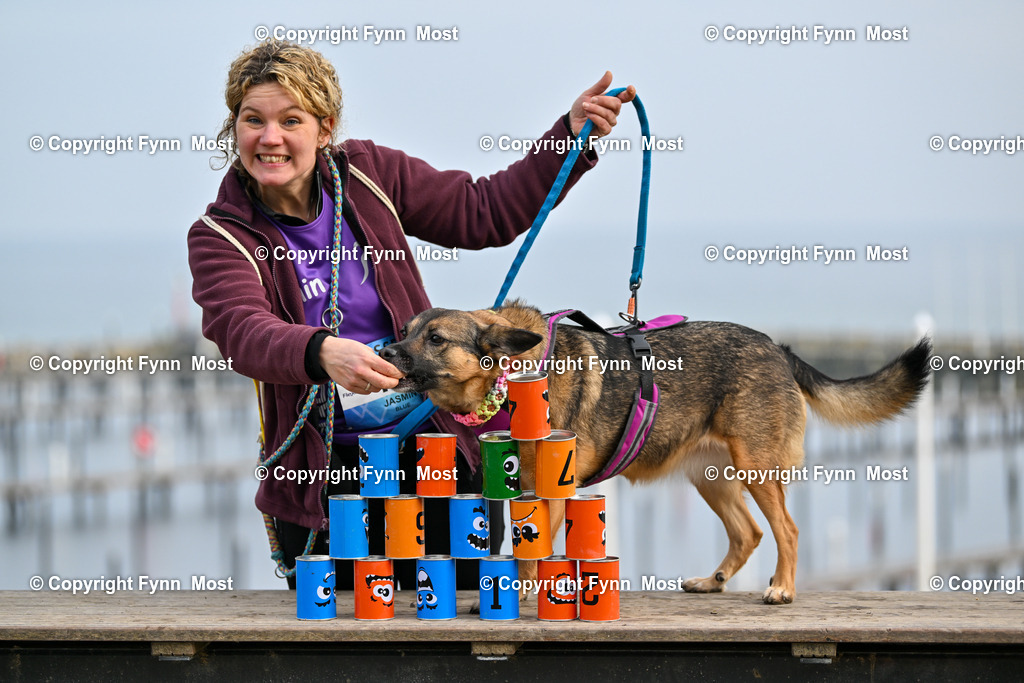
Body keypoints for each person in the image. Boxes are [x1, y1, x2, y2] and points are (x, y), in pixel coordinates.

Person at [187, 39, 635, 589]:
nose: (270, 137)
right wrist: (319, 351)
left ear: (324, 128)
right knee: (345, 642)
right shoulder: (220, 236)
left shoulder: (372, 174)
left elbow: (483, 212)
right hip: (323, 474)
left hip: (435, 450)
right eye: (253, 119)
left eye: (291, 119)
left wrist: (568, 135)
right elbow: (242, 331)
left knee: (466, 625)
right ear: (235, 128)